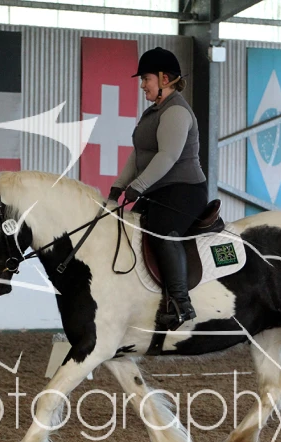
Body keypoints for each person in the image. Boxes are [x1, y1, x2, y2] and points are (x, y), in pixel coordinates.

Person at [109, 47, 208, 331]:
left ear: (165, 79)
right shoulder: (153, 112)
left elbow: (168, 156)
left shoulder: (176, 111)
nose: (142, 85)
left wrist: (138, 186)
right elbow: (138, 154)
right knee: (129, 231)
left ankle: (180, 303)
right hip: (157, 189)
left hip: (184, 190)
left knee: (162, 232)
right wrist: (118, 187)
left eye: (146, 79)